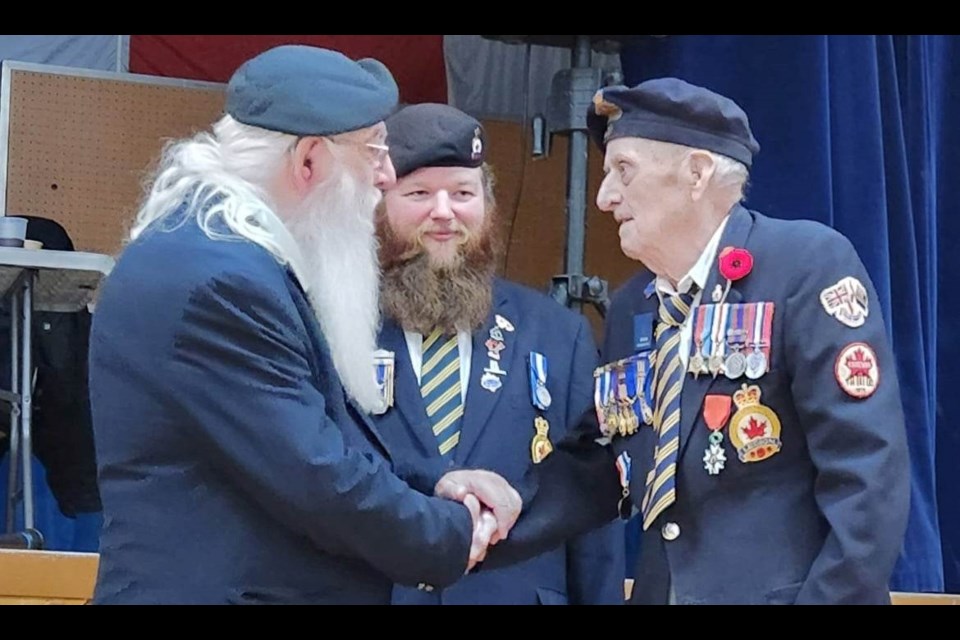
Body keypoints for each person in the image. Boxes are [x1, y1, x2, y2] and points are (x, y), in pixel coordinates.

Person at [87, 45, 517, 605]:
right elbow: (313, 475)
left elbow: (305, 432)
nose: (385, 176)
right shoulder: (220, 281)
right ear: (309, 160)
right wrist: (452, 534)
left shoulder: (217, 253)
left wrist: (431, 482)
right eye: (374, 152)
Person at [458, 77, 911, 605]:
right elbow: (601, 465)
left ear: (696, 173)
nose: (604, 198)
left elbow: (867, 479)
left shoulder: (804, 266)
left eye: (622, 170)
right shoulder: (635, 307)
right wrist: (492, 516)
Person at [370, 103, 625, 605]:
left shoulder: (557, 333)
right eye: (419, 193)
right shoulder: (332, 326)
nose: (443, 211)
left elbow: (593, 513)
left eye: (463, 193)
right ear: (377, 202)